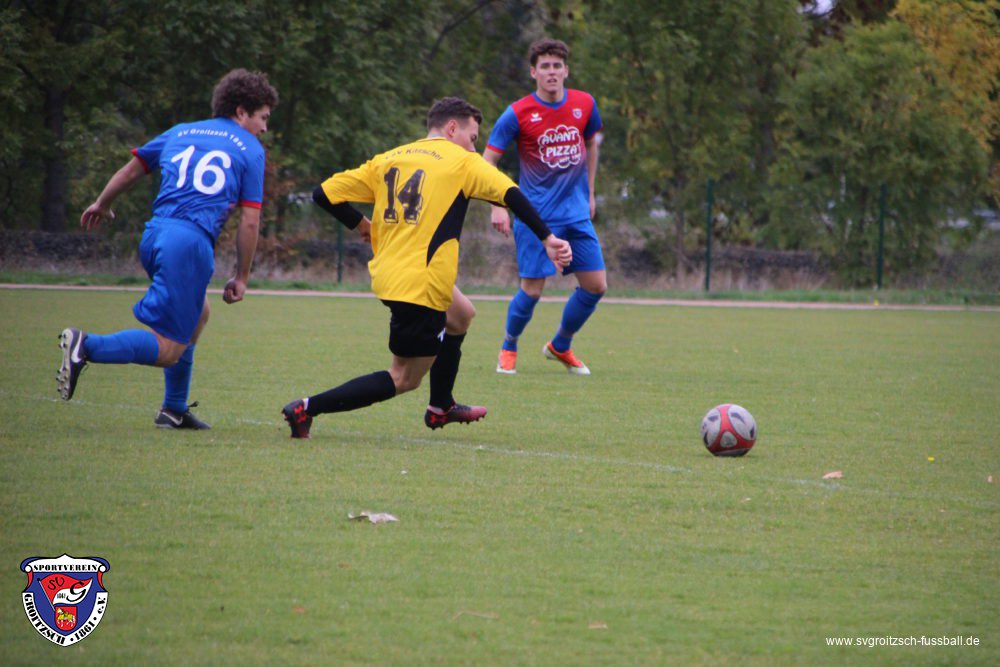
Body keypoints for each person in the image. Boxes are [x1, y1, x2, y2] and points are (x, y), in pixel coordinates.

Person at [281, 96, 572, 439]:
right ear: (452, 128)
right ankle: (306, 407)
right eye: (472, 138)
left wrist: (361, 224)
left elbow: (323, 194)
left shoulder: (389, 158)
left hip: (391, 273)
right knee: (403, 378)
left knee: (461, 314)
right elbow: (511, 194)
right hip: (422, 284)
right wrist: (547, 237)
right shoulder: (462, 161)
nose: (474, 147)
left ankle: (441, 406)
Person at [58, 69, 278, 429]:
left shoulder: (181, 131)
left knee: (199, 313)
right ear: (241, 112)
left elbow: (131, 171)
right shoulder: (250, 149)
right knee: (168, 350)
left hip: (155, 235)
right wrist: (242, 276)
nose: (265, 128)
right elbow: (250, 222)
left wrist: (102, 203)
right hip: (188, 245)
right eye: (263, 118)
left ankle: (173, 409)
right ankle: (87, 346)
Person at [484, 38, 606, 376]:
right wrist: (497, 205)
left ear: (566, 70)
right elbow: (487, 161)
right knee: (533, 290)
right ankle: (509, 346)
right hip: (535, 217)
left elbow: (591, 145)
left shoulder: (584, 104)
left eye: (557, 66)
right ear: (533, 72)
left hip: (576, 213)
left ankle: (560, 345)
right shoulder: (517, 113)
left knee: (596, 286)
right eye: (545, 66)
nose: (551, 72)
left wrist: (590, 193)